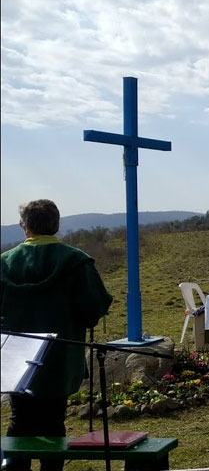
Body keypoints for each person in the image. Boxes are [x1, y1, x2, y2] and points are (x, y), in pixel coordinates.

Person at [1, 199, 112, 471]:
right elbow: (93, 308)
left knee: (19, 420)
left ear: (24, 226)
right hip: (60, 357)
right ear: (57, 225)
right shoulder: (76, 261)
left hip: (16, 358)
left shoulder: (4, 264)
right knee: (53, 421)